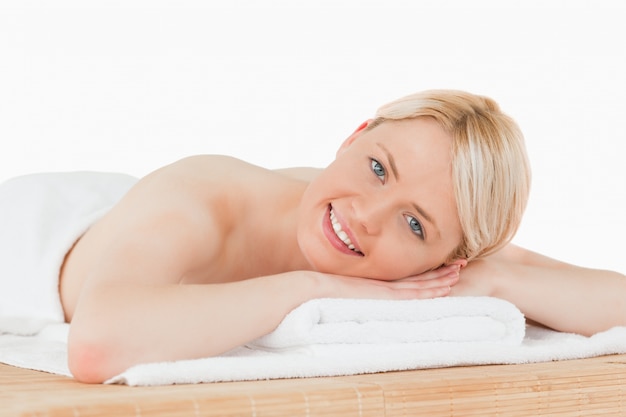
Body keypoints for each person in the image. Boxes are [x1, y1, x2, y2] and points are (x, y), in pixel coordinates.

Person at [1, 90, 624, 384]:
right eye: (378, 167)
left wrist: (492, 276)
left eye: (415, 224)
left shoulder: (441, 253)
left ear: (446, 257)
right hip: (34, 225)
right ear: (354, 135)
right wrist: (309, 287)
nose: (365, 215)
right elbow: (98, 348)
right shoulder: (204, 197)